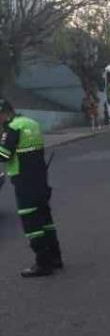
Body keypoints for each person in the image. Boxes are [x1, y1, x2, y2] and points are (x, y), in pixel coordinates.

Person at [0, 99, 63, 277]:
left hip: (24, 181)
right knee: (46, 220)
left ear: (4, 113)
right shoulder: (32, 123)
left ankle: (43, 264)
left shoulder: (12, 128)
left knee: (32, 223)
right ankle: (55, 258)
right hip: (40, 179)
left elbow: (3, 155)